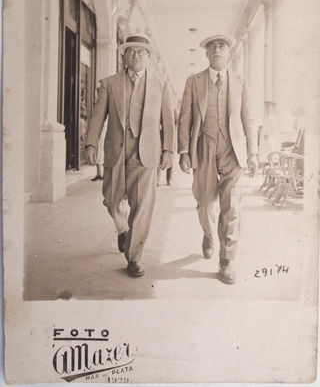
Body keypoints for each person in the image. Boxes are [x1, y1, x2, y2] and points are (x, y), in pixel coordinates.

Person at [85, 34, 175, 277]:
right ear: (124, 56)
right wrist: (91, 144)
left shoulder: (161, 85)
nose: (136, 56)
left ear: (148, 57)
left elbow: (168, 120)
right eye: (131, 52)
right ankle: (123, 227)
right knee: (112, 201)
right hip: (116, 150)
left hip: (146, 154)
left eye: (141, 52)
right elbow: (97, 117)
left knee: (143, 206)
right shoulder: (109, 83)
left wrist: (169, 149)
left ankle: (134, 257)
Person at [178, 34, 258, 284]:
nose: (216, 50)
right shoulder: (194, 81)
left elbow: (249, 119)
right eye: (211, 47)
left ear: (228, 52)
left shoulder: (241, 82)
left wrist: (253, 152)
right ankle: (208, 234)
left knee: (231, 205)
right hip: (203, 146)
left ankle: (226, 260)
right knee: (204, 201)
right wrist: (183, 151)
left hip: (233, 150)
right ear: (206, 53)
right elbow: (185, 118)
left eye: (221, 46)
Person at [258, 101, 281, 167]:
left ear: (273, 109)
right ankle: (267, 167)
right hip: (266, 139)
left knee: (269, 153)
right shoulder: (268, 116)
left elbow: (274, 128)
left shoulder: (272, 117)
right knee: (266, 154)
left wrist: (268, 135)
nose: (267, 109)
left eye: (269, 108)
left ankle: (270, 167)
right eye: (267, 108)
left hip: (270, 139)